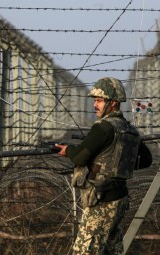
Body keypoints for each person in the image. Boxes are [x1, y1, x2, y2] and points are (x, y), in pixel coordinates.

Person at [55, 77, 142, 255]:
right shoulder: (129, 129)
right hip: (119, 198)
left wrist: (68, 150)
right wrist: (118, 162)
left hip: (101, 200)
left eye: (100, 100)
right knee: (111, 250)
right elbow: (145, 159)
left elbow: (80, 157)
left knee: (85, 251)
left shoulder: (104, 127)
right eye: (95, 100)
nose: (96, 104)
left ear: (114, 103)